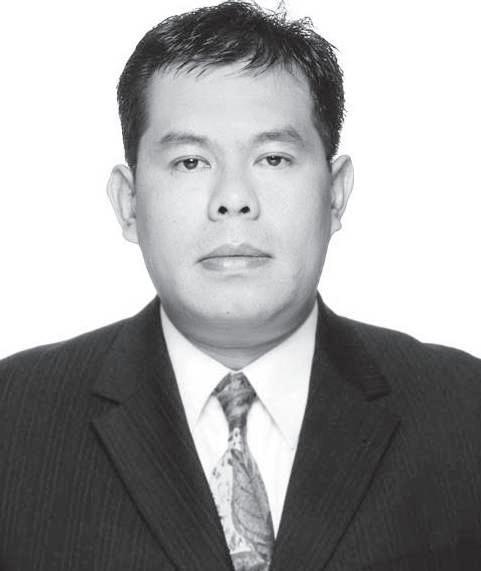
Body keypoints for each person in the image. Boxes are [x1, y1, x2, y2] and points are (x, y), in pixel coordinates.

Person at [1, 1, 480, 569]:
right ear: (129, 203)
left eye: (273, 158)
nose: (233, 198)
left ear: (335, 194)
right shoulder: (14, 417)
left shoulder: (464, 411)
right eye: (190, 162)